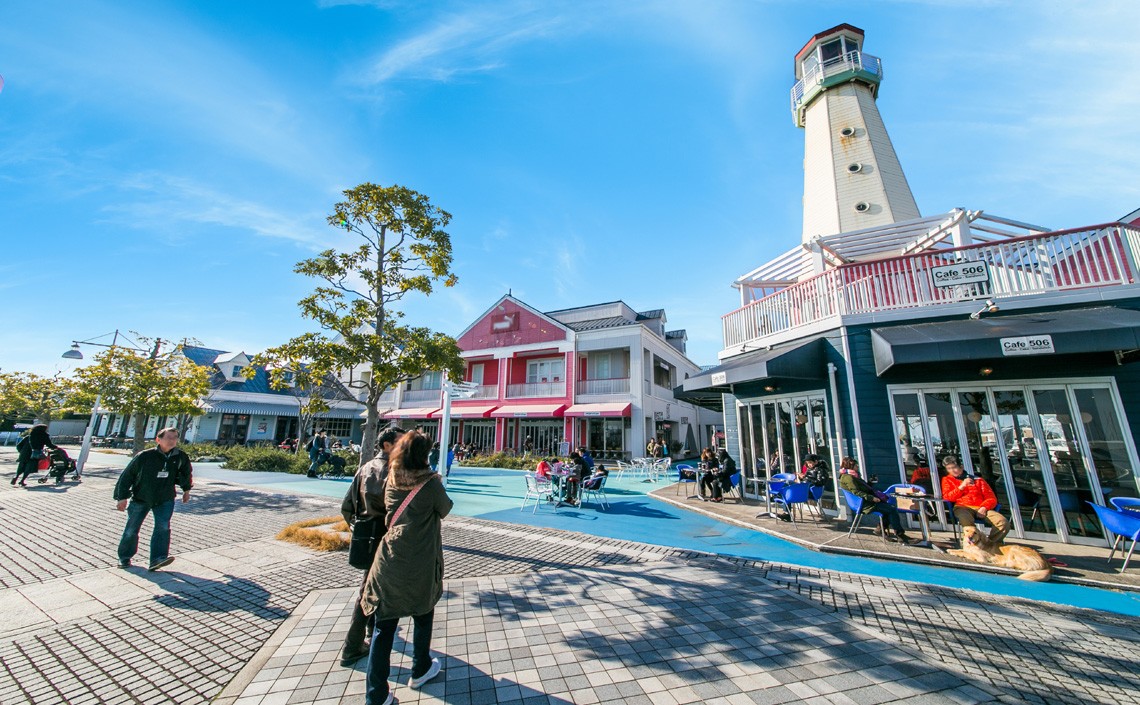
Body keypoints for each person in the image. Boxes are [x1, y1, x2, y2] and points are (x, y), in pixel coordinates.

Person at [361, 431, 452, 705]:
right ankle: (420, 668)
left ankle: (376, 695)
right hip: (420, 559)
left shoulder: (392, 478)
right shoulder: (430, 484)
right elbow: (445, 508)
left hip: (389, 558)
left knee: (383, 627)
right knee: (423, 613)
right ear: (423, 456)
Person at [339, 426, 406, 666]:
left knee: (369, 584)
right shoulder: (396, 472)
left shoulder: (365, 468)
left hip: (366, 535)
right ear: (387, 445)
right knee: (370, 590)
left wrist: (357, 528)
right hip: (387, 537)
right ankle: (352, 645)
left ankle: (369, 630)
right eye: (400, 442)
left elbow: (347, 507)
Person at [113, 427, 193, 570]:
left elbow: (186, 473)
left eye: (174, 438)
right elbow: (127, 476)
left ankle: (158, 559)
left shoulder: (180, 457)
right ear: (158, 439)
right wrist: (122, 497)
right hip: (142, 497)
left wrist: (186, 490)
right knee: (131, 530)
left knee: (163, 528)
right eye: (168, 438)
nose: (172, 441)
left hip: (165, 498)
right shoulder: (145, 456)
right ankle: (124, 557)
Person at [837, 457, 912, 544]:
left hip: (865, 501)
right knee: (892, 509)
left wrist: (870, 482)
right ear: (850, 466)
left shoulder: (854, 476)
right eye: (855, 465)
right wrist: (872, 498)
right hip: (863, 503)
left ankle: (881, 529)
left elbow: (863, 489)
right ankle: (899, 534)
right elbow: (856, 492)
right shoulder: (848, 478)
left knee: (888, 508)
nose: (857, 467)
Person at [941, 456, 1009, 545]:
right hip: (962, 507)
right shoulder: (947, 480)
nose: (952, 471)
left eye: (954, 468)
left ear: (961, 467)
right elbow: (948, 497)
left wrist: (984, 507)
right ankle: (972, 543)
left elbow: (991, 498)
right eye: (949, 469)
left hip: (981, 507)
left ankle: (990, 544)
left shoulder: (978, 480)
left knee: (1003, 522)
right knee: (966, 520)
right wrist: (962, 486)